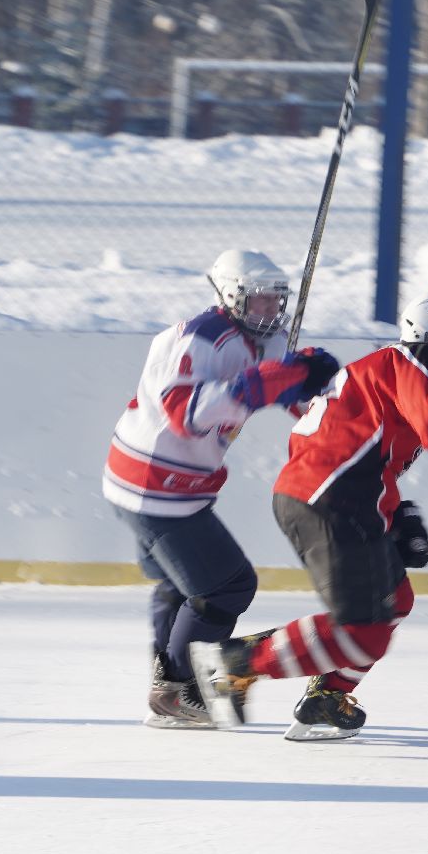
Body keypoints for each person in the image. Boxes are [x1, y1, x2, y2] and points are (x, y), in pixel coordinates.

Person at [191, 290, 428, 741]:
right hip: (330, 502)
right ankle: (235, 663)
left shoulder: (386, 372)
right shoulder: (412, 362)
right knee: (364, 630)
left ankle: (326, 699)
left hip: (332, 498)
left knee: (394, 599)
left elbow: (362, 455)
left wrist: (396, 518)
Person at [103, 249, 340, 729]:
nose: (271, 310)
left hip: (166, 486)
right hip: (154, 485)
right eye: (259, 300)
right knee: (227, 586)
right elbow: (185, 414)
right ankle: (177, 691)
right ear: (231, 296)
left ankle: (168, 688)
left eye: (277, 300)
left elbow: (297, 400)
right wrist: (270, 380)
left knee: (181, 584)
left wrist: (323, 388)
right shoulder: (197, 338)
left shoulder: (268, 343)